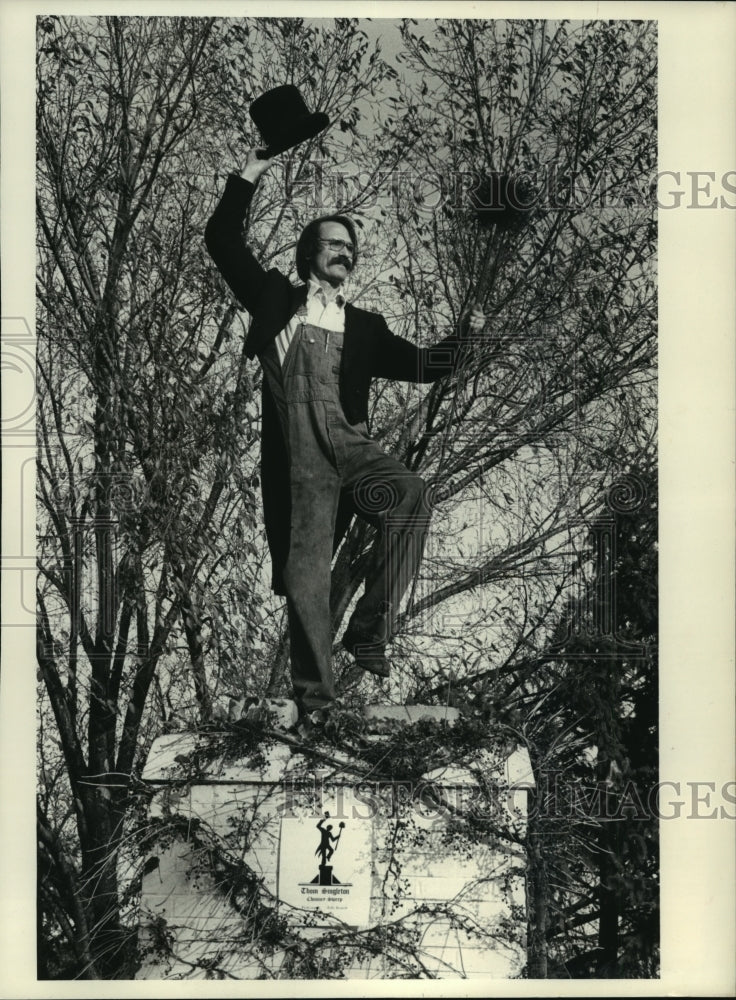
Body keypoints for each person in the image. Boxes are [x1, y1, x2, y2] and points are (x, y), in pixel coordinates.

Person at [205, 149, 485, 730]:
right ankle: (317, 705)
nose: (346, 252)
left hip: (350, 445)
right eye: (335, 243)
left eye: (351, 248)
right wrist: (253, 168)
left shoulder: (365, 326)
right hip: (300, 458)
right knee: (306, 579)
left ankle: (368, 630)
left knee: (411, 495)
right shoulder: (275, 299)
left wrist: (466, 335)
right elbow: (222, 239)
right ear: (310, 253)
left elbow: (425, 365)